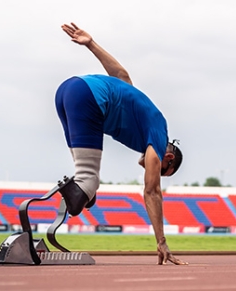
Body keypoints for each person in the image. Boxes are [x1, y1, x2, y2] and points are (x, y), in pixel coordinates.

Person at [55, 22, 187, 265]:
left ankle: (84, 191)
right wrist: (161, 241)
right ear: (168, 158)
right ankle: (84, 189)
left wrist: (91, 44)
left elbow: (121, 76)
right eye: (161, 171)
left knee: (84, 179)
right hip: (88, 97)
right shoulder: (158, 135)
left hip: (66, 90)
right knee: (88, 178)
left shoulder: (144, 120)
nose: (153, 171)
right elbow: (151, 191)